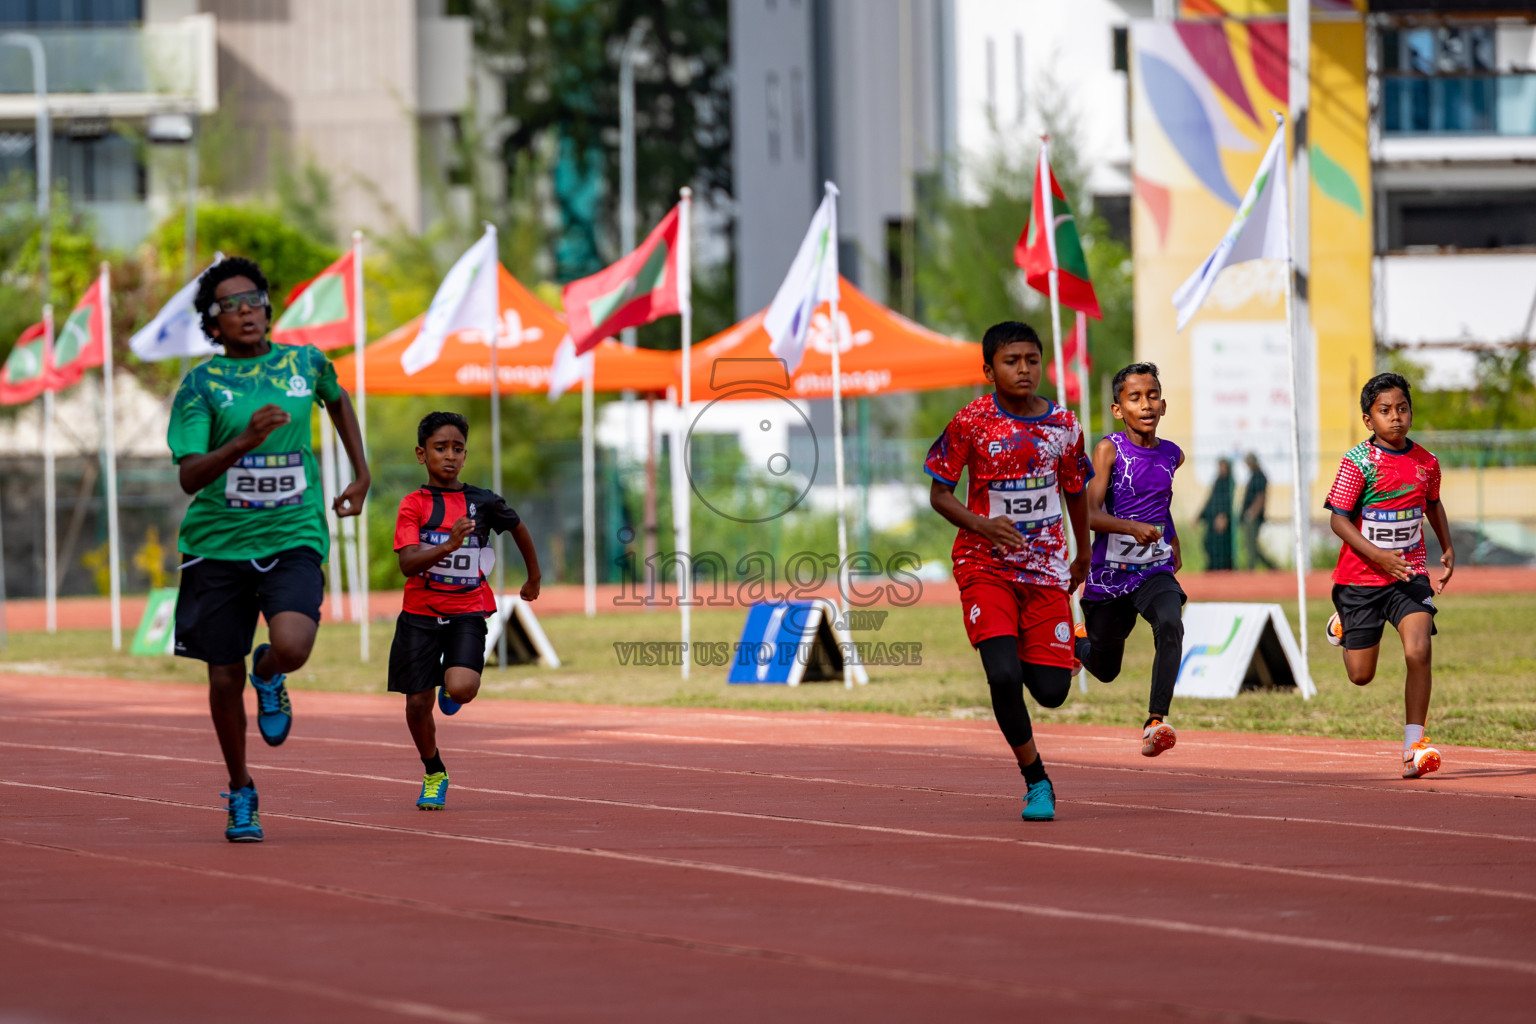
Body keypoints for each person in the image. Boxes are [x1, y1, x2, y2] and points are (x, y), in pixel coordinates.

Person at [169, 256, 370, 843]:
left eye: (253, 298)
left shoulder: (303, 362)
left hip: (293, 534)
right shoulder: (201, 386)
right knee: (221, 679)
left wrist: (361, 473)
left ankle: (271, 671)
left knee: (292, 645)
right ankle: (240, 788)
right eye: (229, 305)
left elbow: (336, 399)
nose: (245, 311)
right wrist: (246, 440)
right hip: (217, 546)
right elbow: (190, 475)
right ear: (213, 323)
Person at [926, 321, 1091, 823]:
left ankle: (1069, 646)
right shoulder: (972, 421)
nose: (1023, 370)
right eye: (1011, 361)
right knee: (1002, 674)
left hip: (1044, 570)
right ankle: (1036, 780)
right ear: (988, 369)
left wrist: (1082, 553)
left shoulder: (1064, 427)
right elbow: (939, 494)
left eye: (1032, 360)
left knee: (1051, 693)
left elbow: (1075, 492)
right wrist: (982, 525)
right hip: (985, 565)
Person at [391, 411, 542, 809]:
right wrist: (445, 546)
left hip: (467, 610)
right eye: (441, 448)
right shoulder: (413, 505)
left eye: (458, 448)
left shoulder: (483, 501)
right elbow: (407, 564)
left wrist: (534, 577)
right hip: (420, 614)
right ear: (421, 454)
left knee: (462, 688)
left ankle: (452, 678)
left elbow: (518, 528)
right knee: (416, 704)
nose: (451, 456)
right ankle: (434, 771)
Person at [1323, 373, 1453, 779]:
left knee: (1418, 651)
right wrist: (1379, 555)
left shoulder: (1426, 462)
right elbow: (1338, 522)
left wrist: (1447, 547)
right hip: (1360, 579)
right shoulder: (1357, 462)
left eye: (1402, 408)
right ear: (1368, 419)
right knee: (1361, 676)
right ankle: (1344, 623)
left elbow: (1433, 504)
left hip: (1409, 574)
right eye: (1385, 411)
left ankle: (1414, 746)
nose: (1395, 417)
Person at [1074, 363, 1185, 757]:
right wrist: (1130, 527)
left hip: (1153, 569)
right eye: (1135, 398)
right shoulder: (1109, 450)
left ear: (1164, 404)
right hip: (1109, 577)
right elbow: (1089, 514)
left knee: (1171, 621)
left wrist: (1173, 541)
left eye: (1152, 396)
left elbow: (1161, 502)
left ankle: (1156, 721)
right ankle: (1078, 643)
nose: (1146, 404)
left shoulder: (1173, 455)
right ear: (1118, 409)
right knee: (1105, 670)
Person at [1241, 452, 1275, 570]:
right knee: (1251, 544)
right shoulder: (1255, 475)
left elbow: (1261, 496)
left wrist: (1252, 513)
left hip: (1253, 516)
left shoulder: (1259, 476)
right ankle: (1270, 566)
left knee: (1251, 545)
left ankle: (1252, 567)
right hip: (1251, 515)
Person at [1200, 458, 1234, 571]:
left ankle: (1223, 568)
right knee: (1208, 543)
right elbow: (1210, 500)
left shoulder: (1228, 482)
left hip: (1220, 520)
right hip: (1211, 519)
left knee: (1221, 547)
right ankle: (1213, 567)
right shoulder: (1218, 480)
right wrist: (1200, 516)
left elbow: (1227, 501)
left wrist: (1223, 516)